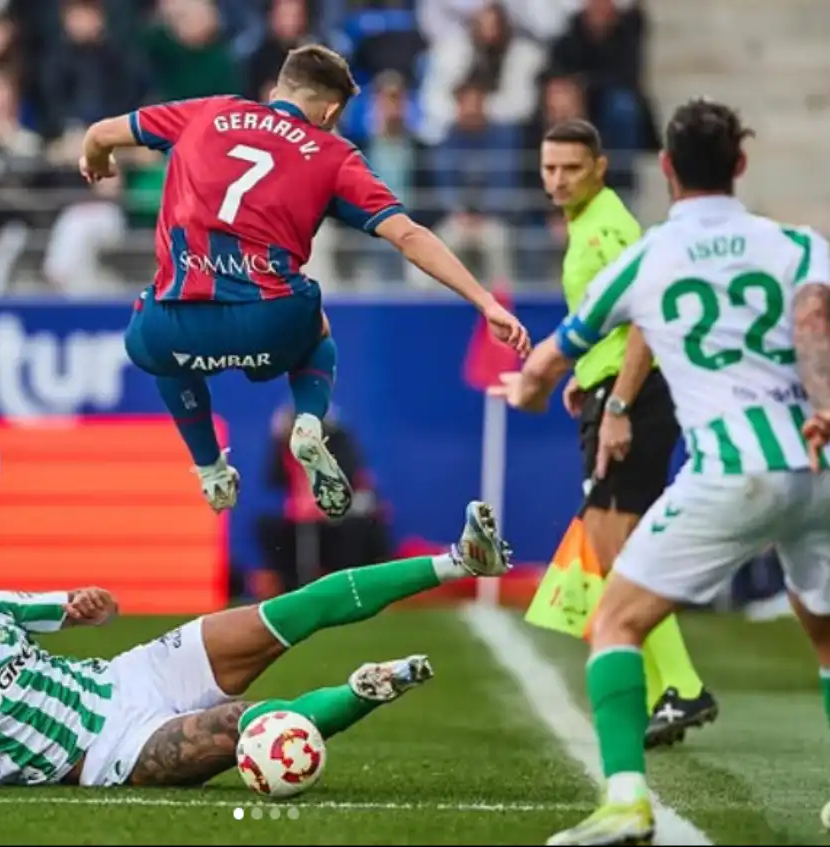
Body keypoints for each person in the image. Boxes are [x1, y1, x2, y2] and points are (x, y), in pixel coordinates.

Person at [489, 97, 830, 846]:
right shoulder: (800, 244)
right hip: (815, 465)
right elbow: (815, 328)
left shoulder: (647, 254)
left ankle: (625, 801)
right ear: (741, 165)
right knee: (827, 635)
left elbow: (555, 350)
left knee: (613, 619)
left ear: (666, 169)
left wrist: (534, 385)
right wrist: (823, 406)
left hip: (729, 473)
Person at [78, 44, 530, 520]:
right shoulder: (333, 154)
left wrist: (96, 159)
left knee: (154, 340)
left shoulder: (206, 112)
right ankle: (309, 421)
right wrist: (484, 301)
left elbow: (100, 133)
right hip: (272, 322)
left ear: (278, 86)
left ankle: (211, 468)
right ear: (331, 108)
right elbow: (408, 235)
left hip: (181, 321)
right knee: (318, 331)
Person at [0, 501, 512, 793]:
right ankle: (358, 693)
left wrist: (88, 602)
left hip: (130, 675)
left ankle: (459, 559)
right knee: (252, 724)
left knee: (285, 611)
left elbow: (75, 606)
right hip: (111, 752)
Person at [540, 117, 716, 748]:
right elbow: (611, 323)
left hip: (635, 398)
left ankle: (681, 687)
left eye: (570, 168)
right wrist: (586, 374)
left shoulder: (609, 226)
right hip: (619, 389)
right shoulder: (589, 223)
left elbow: (646, 312)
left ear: (600, 167)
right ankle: (668, 688)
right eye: (549, 168)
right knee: (616, 545)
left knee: (619, 546)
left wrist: (616, 403)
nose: (558, 180)